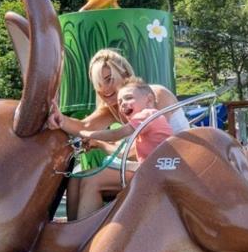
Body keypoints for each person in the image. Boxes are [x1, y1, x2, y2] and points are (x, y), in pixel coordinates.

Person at [48, 49, 187, 219]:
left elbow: (142, 150)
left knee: (93, 181)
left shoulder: (152, 97)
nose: (104, 89)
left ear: (125, 74)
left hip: (173, 165)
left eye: (109, 80)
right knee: (76, 178)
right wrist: (59, 118)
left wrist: (96, 139)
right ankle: (70, 235)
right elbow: (84, 125)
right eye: (99, 84)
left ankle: (89, 241)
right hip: (151, 165)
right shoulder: (118, 108)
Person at [56, 78, 173, 219]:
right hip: (149, 173)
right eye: (120, 102)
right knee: (76, 178)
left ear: (148, 100)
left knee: (93, 180)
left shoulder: (148, 115)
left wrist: (82, 133)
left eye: (128, 98)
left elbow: (115, 134)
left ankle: (87, 233)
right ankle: (72, 228)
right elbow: (125, 153)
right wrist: (98, 143)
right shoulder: (143, 128)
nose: (123, 104)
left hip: (158, 175)